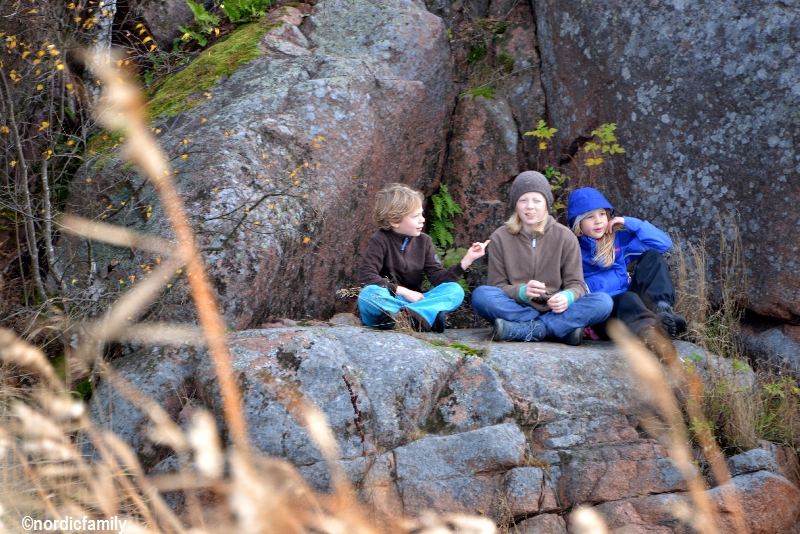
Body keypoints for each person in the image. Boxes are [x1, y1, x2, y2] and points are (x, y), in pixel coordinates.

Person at [471, 171, 613, 345]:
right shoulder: (500, 237)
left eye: (537, 200)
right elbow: (497, 286)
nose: (530, 206)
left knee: (603, 302)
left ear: (546, 204)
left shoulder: (565, 236)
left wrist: (567, 297)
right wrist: (522, 292)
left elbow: (577, 285)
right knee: (481, 296)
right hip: (517, 308)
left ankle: (527, 330)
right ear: (515, 205)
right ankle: (557, 330)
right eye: (523, 200)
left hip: (557, 310)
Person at [358, 183, 489, 332]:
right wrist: (402, 291)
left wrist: (467, 260)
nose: (422, 220)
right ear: (395, 221)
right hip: (389, 302)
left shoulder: (424, 241)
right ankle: (416, 316)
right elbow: (366, 277)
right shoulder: (380, 240)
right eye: (415, 216)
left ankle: (410, 317)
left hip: (416, 302)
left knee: (455, 290)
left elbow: (438, 279)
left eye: (421, 214)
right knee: (368, 294)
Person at [567, 187, 686, 338]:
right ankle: (653, 329)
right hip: (604, 315)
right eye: (590, 217)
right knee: (627, 299)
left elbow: (663, 244)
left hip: (633, 307)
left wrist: (628, 222)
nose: (598, 221)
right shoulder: (571, 249)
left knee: (653, 257)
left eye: (602, 214)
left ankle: (663, 311)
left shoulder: (618, 241)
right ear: (578, 223)